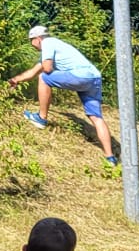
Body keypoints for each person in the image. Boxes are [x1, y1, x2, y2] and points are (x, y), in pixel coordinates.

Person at [6, 24, 116, 166]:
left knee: (44, 77)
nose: (32, 45)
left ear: (38, 39)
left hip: (80, 76)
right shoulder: (56, 46)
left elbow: (46, 69)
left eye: (31, 41)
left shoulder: (48, 43)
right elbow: (33, 72)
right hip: (94, 78)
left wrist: (48, 70)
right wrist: (15, 80)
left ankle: (41, 118)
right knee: (96, 117)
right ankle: (110, 157)